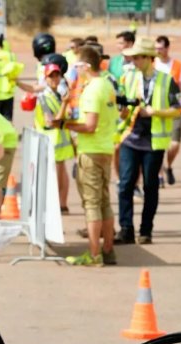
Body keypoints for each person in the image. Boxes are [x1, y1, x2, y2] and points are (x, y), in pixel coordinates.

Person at [115, 37, 181, 246]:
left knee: (150, 187)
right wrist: (124, 112)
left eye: (137, 57)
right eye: (132, 57)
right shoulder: (128, 78)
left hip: (154, 142)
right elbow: (122, 108)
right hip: (130, 138)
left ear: (148, 58)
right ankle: (126, 229)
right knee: (125, 184)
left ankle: (146, 230)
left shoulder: (166, 80)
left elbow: (178, 108)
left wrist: (155, 112)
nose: (133, 61)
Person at [64, 46, 118, 267]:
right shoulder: (106, 85)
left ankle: (94, 253)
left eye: (77, 66)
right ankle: (108, 250)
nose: (76, 70)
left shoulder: (92, 89)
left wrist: (66, 125)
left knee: (92, 204)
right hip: (105, 149)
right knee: (104, 202)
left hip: (92, 151)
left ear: (86, 66)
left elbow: (90, 125)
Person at [18, 61, 73, 212]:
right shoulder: (44, 98)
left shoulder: (60, 94)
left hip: (60, 145)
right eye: (51, 76)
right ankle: (48, 208)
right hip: (50, 144)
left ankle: (59, 206)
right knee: (51, 179)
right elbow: (52, 122)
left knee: (60, 177)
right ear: (46, 79)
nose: (55, 79)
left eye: (57, 75)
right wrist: (65, 105)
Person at [152, 36, 181, 186]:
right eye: (156, 48)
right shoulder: (152, 64)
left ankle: (168, 166)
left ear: (167, 48)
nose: (158, 51)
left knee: (174, 145)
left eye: (160, 48)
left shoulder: (178, 65)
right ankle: (159, 174)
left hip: (174, 109)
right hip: (158, 109)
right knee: (158, 144)